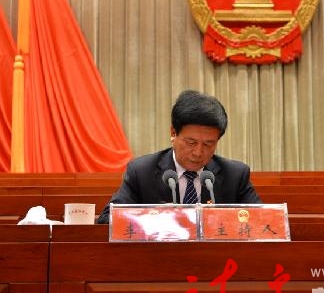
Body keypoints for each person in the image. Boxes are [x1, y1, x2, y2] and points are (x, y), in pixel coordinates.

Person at [96, 89, 261, 224]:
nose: (198, 152)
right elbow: (106, 220)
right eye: (191, 142)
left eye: (208, 144)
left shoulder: (235, 175)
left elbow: (261, 220)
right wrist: (154, 218)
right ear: (173, 133)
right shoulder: (142, 171)